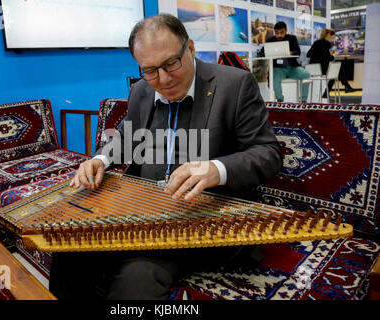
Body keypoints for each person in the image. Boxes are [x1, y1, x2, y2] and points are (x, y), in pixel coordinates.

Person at [49, 14, 283, 300]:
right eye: (150, 70)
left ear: (191, 48)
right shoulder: (141, 90)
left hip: (201, 219)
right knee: (69, 254)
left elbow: (268, 153)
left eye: (171, 63)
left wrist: (215, 169)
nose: (163, 79)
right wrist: (101, 160)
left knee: (136, 281)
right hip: (141, 211)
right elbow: (125, 137)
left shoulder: (236, 85)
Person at [263, 21, 311, 103]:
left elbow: (297, 52)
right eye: (277, 33)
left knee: (306, 74)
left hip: (292, 67)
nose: (279, 35)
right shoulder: (270, 40)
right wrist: (269, 53)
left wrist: (289, 52)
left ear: (286, 30)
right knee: (274, 80)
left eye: (282, 33)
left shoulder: (292, 38)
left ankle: (303, 100)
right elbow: (262, 52)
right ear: (274, 32)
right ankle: (280, 100)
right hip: (278, 69)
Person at [307, 28, 356, 98]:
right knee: (337, 70)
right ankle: (342, 87)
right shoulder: (327, 43)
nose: (333, 37)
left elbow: (308, 54)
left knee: (336, 71)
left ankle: (345, 87)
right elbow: (327, 58)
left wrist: (321, 55)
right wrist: (334, 55)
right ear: (328, 35)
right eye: (332, 35)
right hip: (321, 69)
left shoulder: (316, 42)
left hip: (312, 69)